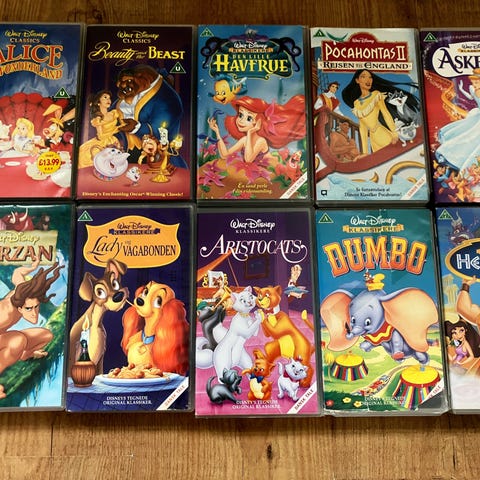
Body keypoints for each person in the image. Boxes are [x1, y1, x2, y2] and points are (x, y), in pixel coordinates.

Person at [0, 261, 63, 398]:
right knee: (18, 340)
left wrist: (32, 268)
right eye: (29, 308)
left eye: (36, 307)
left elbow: (17, 273)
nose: (34, 314)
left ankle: (24, 354)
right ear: (19, 308)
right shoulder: (5, 315)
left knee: (46, 335)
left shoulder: (22, 291)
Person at [207, 95, 306, 164]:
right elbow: (225, 155)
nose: (241, 121)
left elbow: (248, 160)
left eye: (249, 118)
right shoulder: (245, 140)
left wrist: (250, 132)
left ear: (259, 122)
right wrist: (217, 132)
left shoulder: (261, 141)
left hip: (272, 169)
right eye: (240, 115)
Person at [341, 69, 421, 154]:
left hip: (382, 133)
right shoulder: (356, 103)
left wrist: (394, 133)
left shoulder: (376, 94)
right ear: (357, 80)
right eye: (363, 77)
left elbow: (386, 114)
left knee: (393, 155)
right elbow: (363, 128)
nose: (368, 80)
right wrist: (365, 153)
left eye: (370, 77)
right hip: (373, 139)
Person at [435, 69, 480, 173]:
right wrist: (461, 89)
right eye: (473, 82)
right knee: (471, 137)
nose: (474, 84)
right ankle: (453, 156)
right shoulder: (472, 88)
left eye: (476, 82)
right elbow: (470, 97)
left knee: (473, 138)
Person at [78, 90, 125, 168]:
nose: (108, 100)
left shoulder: (114, 113)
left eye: (109, 98)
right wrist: (117, 129)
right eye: (105, 97)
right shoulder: (98, 119)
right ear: (98, 102)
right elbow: (100, 136)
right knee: (89, 157)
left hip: (113, 140)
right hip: (103, 142)